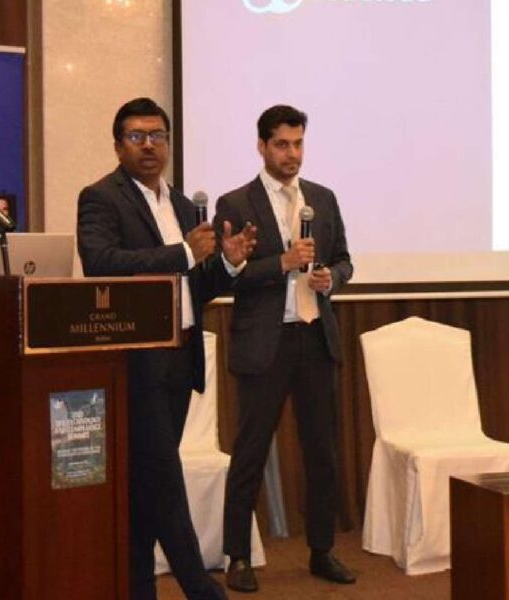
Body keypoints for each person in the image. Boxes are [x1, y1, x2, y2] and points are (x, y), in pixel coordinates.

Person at [77, 97, 256, 600]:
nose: (149, 145)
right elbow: (101, 263)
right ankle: (201, 587)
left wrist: (228, 265)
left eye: (157, 135)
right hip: (135, 362)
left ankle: (137, 589)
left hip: (180, 357)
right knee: (162, 474)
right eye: (137, 136)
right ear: (118, 145)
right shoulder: (100, 198)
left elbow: (193, 288)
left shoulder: (179, 204)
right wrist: (183, 253)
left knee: (144, 486)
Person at [214, 105, 355, 592]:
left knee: (323, 452)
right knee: (250, 450)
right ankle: (237, 556)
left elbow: (345, 261)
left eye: (298, 144)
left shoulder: (323, 199)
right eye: (282, 144)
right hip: (264, 344)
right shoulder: (235, 204)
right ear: (262, 146)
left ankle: (321, 549)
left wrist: (328, 277)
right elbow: (230, 274)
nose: (292, 154)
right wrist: (283, 262)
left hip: (315, 338)